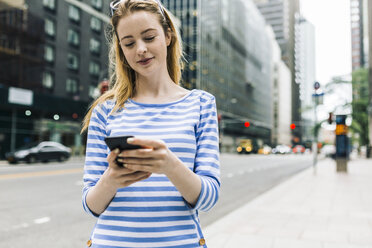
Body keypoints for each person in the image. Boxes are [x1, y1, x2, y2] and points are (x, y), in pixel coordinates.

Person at [81, 0, 220, 247]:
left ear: (167, 36)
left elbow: (209, 199)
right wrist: (111, 178)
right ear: (121, 49)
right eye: (130, 43)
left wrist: (169, 164)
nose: (141, 49)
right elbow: (91, 205)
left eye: (149, 37)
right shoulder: (105, 109)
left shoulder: (201, 104)